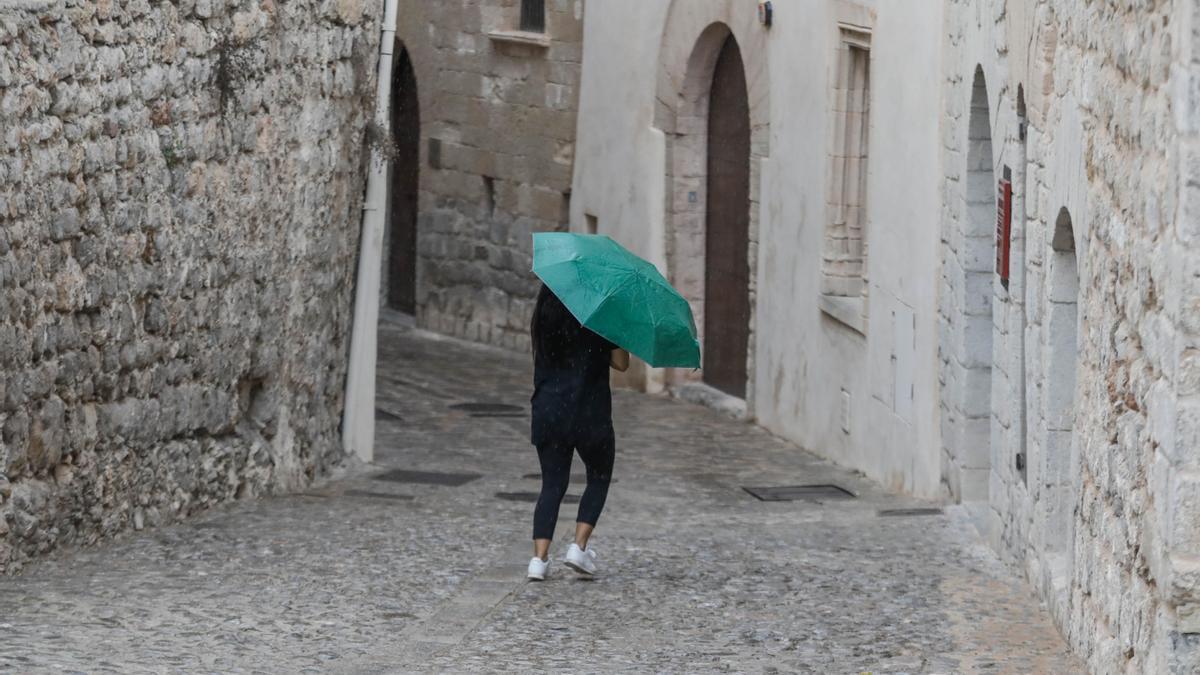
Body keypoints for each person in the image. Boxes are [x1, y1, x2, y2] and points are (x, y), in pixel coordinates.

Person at [527, 283, 630, 580]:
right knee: (598, 476)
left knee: (552, 484)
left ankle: (538, 560)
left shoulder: (543, 319)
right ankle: (579, 547)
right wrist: (617, 328)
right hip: (589, 411)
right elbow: (621, 364)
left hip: (548, 409)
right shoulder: (600, 316)